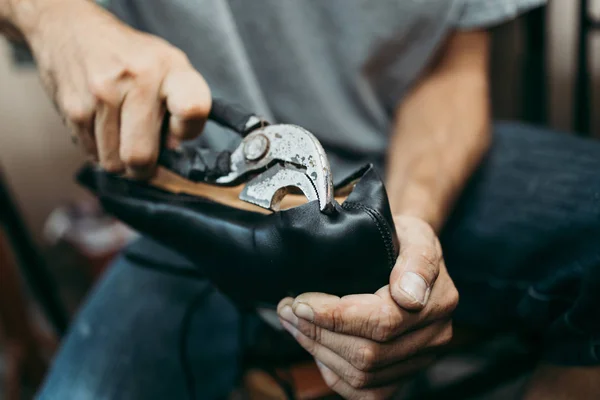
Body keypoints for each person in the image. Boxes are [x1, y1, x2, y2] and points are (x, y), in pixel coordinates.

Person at [2, 0, 599, 398]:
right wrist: (50, 15)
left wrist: (399, 239)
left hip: (405, 170)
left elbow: (455, 69)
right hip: (201, 225)